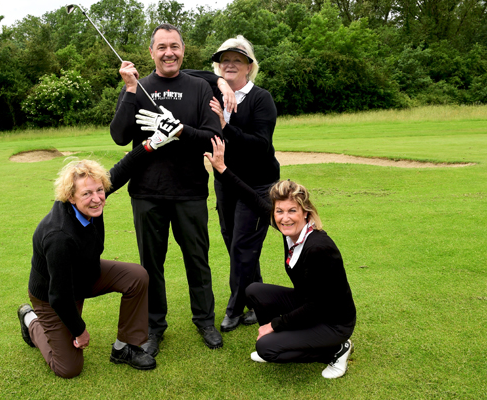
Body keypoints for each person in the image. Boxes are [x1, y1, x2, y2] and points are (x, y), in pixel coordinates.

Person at [16, 132, 178, 378]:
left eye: (99, 190)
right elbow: (59, 296)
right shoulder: (58, 235)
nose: (97, 199)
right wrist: (80, 331)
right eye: (87, 194)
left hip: (85, 274)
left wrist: (149, 144)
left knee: (137, 275)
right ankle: (31, 320)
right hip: (52, 296)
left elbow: (122, 170)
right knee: (69, 368)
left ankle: (125, 347)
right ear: (70, 196)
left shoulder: (94, 198)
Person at [109, 23, 224, 356]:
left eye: (174, 46)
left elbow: (214, 136)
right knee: (151, 265)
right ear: (151, 52)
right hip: (146, 192)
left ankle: (204, 320)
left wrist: (181, 130)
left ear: (183, 50)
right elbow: (119, 135)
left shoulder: (200, 88)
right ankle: (155, 326)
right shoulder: (138, 87)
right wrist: (130, 91)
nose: (169, 52)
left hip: (190, 191)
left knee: (197, 260)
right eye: (161, 47)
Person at [205, 136, 357, 379]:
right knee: (254, 290)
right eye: (280, 211)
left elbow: (317, 306)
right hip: (309, 305)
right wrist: (222, 169)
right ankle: (292, 339)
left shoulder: (318, 247)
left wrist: (274, 325)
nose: (285, 217)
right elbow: (252, 198)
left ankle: (336, 349)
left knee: (266, 348)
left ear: (306, 213)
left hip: (332, 320)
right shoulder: (287, 228)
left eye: (292, 211)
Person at [185, 36, 280, 332]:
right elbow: (182, 75)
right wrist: (220, 83)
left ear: (249, 67)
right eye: (224, 60)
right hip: (225, 180)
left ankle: (235, 310)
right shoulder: (215, 90)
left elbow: (261, 145)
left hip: (258, 184)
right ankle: (260, 302)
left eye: (237, 60)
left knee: (242, 247)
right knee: (236, 243)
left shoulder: (260, 98)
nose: (230, 64)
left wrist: (227, 128)